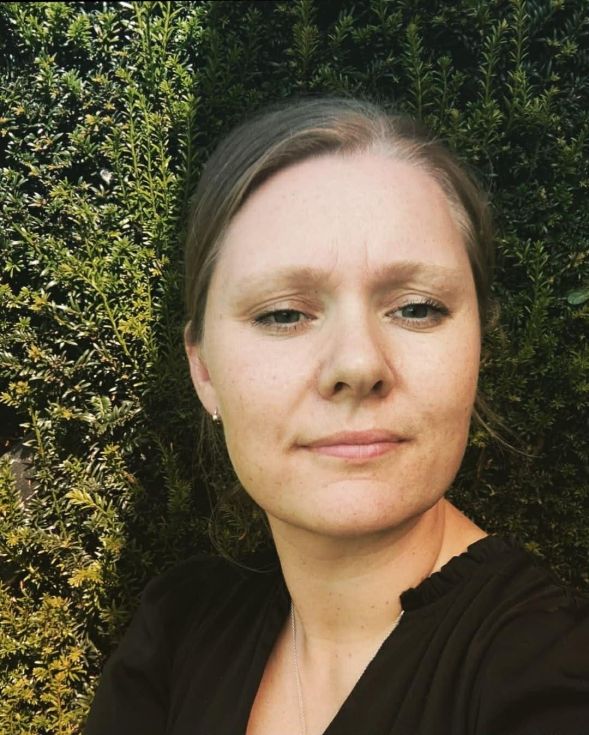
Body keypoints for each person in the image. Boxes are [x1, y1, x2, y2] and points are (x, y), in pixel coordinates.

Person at [84, 97, 589, 735]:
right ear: (204, 371)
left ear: (477, 350)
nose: (357, 363)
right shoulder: (177, 630)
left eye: (417, 307)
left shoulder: (553, 676)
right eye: (282, 314)